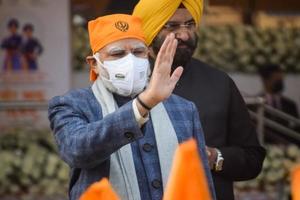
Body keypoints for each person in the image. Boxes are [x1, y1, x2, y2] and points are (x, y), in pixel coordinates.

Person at [48, 14, 215, 200]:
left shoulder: (183, 109)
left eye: (138, 52)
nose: (131, 61)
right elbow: (77, 151)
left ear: (148, 55)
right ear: (94, 64)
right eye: (118, 54)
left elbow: (199, 181)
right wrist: (143, 105)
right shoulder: (73, 104)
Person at [132, 0, 266, 199]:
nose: (185, 34)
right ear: (150, 30)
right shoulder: (128, 83)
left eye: (190, 24)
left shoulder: (220, 83)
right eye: (172, 26)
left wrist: (214, 157)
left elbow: (253, 159)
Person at [258, 64, 300, 144]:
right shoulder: (255, 105)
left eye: (281, 79)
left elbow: (296, 130)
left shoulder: (291, 105)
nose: (280, 82)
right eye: (277, 80)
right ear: (266, 80)